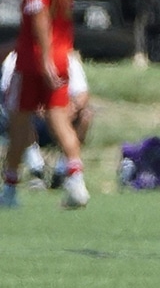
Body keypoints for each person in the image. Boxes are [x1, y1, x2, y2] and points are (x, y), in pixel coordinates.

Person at [1, 0, 88, 209]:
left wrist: (44, 57)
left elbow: (38, 16)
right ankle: (76, 181)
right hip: (62, 55)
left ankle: (10, 188)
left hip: (34, 59)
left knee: (19, 122)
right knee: (59, 119)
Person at [1, 49, 92, 189]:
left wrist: (70, 109)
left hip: (61, 118)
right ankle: (36, 170)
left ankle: (62, 171)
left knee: (86, 116)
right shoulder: (15, 58)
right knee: (20, 116)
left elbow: (82, 94)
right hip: (30, 122)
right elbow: (8, 97)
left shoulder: (66, 58)